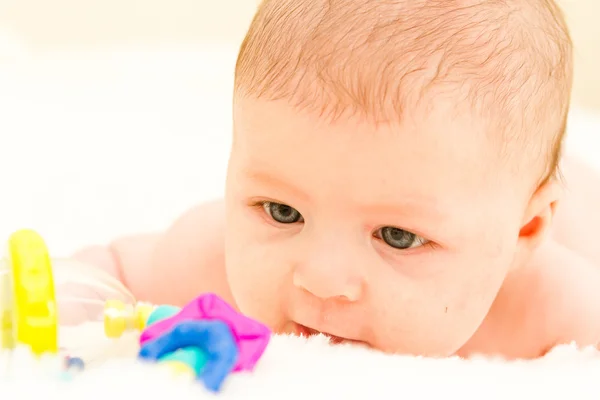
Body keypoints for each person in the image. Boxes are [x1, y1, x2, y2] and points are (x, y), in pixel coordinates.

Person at [74, 0, 600, 359]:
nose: (321, 279)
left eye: (398, 236)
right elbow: (111, 268)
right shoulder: (212, 257)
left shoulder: (553, 307)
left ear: (524, 232)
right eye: (283, 212)